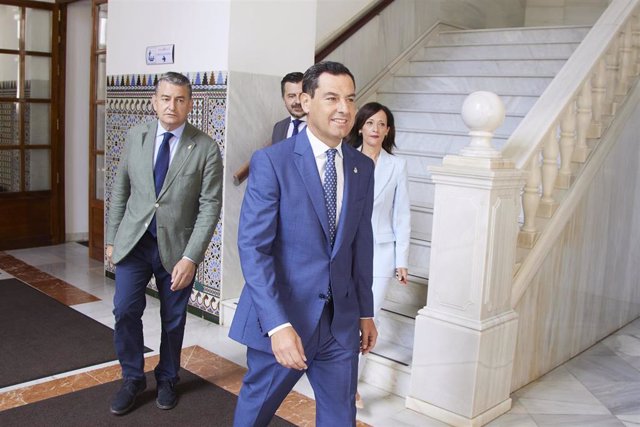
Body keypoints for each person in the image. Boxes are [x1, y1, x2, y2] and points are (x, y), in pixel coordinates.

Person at [229, 61, 378, 427]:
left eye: (350, 99)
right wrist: (277, 325)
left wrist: (365, 310)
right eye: (331, 98)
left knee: (341, 415)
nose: (344, 108)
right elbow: (253, 248)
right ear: (306, 102)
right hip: (283, 320)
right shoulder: (272, 161)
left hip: (340, 324)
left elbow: (360, 242)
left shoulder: (362, 166)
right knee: (255, 413)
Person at [106, 71, 223, 415]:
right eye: (166, 98)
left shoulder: (205, 147)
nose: (172, 105)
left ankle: (168, 377)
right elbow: (121, 190)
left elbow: (210, 206)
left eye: (180, 99)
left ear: (189, 103)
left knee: (173, 319)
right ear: (154, 102)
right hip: (134, 243)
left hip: (176, 249)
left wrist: (192, 257)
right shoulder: (135, 136)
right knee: (125, 310)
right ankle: (132, 378)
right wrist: (112, 238)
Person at [346, 102, 411, 409]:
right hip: (346, 249)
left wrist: (402, 259)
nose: (375, 129)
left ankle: (351, 386)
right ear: (360, 126)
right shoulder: (346, 158)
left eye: (381, 124)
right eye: (370, 122)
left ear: (388, 130)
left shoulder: (397, 166)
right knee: (343, 316)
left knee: (369, 317)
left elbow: (402, 214)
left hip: (382, 251)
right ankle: (338, 376)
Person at [271, 71, 306, 143]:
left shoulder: (321, 126)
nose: (298, 101)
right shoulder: (278, 127)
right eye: (291, 96)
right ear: (283, 99)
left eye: (302, 95)